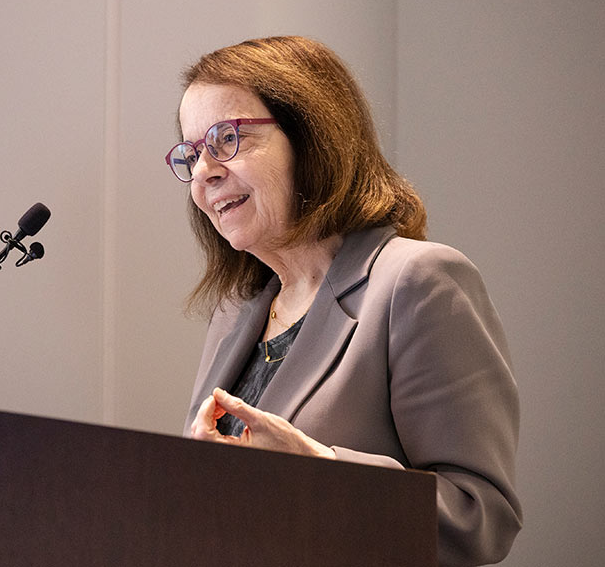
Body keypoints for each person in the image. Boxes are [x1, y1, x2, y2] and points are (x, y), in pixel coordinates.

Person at [167, 37, 521, 566]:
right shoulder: (235, 315)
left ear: (311, 137)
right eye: (192, 153)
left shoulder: (417, 281)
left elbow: (481, 522)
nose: (203, 173)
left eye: (226, 139)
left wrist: (321, 468)